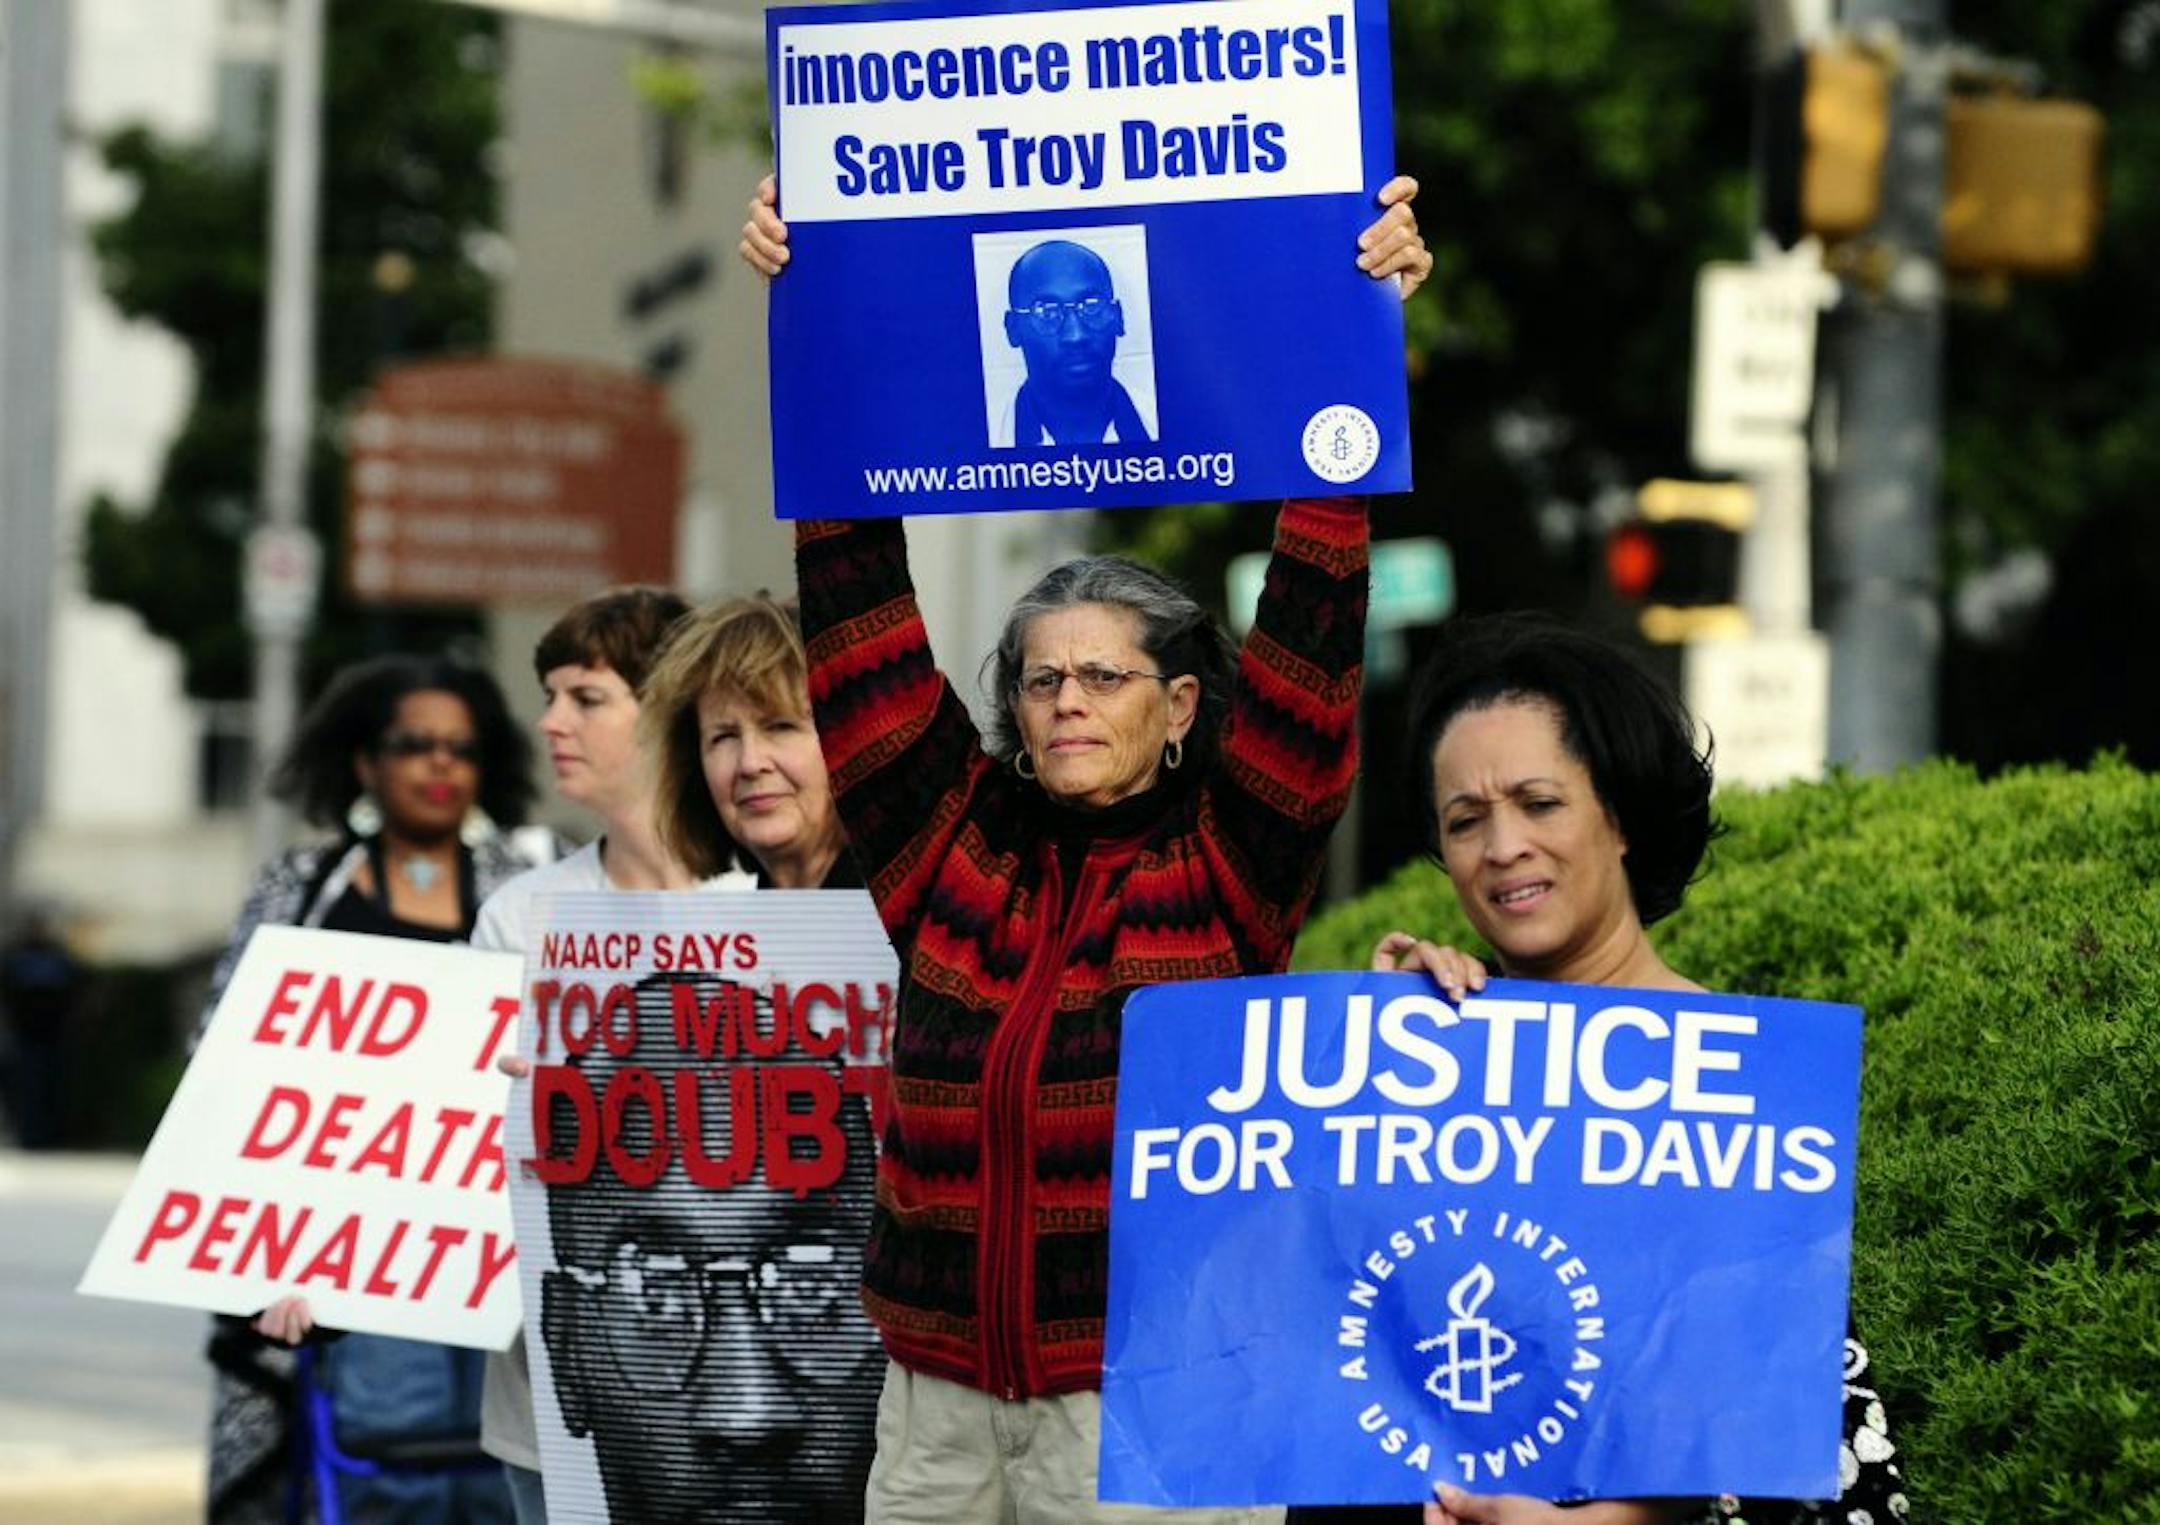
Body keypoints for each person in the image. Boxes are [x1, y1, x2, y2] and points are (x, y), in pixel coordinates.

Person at [741, 174, 1432, 1522]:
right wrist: (816, 314)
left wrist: (1349, 327)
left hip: (1157, 1403)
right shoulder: (952, 841)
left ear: (1179, 709)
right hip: (935, 1406)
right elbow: (856, 624)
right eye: (1044, 678)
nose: (1066, 701)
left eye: (1105, 678)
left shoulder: (1237, 855)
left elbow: (1307, 641)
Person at [1353, 614, 1904, 1525]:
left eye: (1539, 802)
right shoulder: (1427, 1060)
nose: (1502, 849)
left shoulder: (1740, 1082)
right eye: (1465, 819)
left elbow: (1749, 1407)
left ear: (1621, 815)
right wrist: (1370, 1073)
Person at [519, 594, 878, 1521]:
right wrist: (550, 1095)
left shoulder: (923, 914)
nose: (750, 762)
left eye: (782, 727)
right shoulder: (696, 948)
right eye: (722, 736)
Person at [201, 654, 535, 1525]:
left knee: (493, 1482)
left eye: (460, 749)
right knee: (369, 1479)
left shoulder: (525, 889)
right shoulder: (298, 891)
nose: (439, 765)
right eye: (414, 744)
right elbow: (224, 1059)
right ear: (364, 763)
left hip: (491, 1256)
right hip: (340, 1266)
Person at [461, 586, 754, 1523]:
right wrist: (324, 1268)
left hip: (759, 1411)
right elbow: (441, 1154)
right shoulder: (519, 916)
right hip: (554, 1410)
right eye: (549, 694)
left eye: (587, 697)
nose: (551, 722)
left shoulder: (778, 903)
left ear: (666, 706)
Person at [1003, 238, 1152, 448]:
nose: (1076, 335)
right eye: (1047, 312)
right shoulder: (986, 439)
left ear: (1118, 317)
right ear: (1013, 329)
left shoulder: (1166, 422)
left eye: (1092, 306)